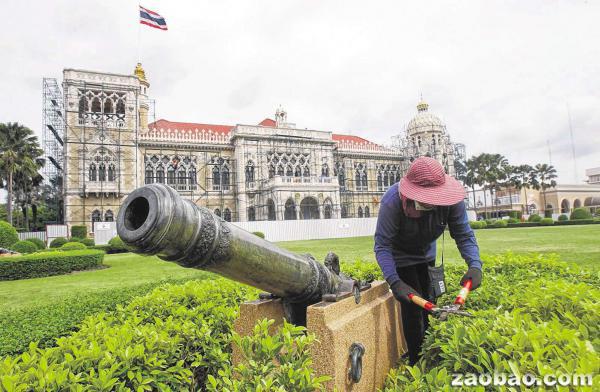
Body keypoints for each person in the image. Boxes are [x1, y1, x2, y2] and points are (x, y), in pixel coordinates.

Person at [374, 156, 483, 365]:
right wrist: (395, 281)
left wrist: (475, 265)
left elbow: (464, 234)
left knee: (429, 301)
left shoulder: (452, 201)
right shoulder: (392, 201)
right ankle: (418, 362)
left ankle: (429, 350)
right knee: (413, 309)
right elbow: (382, 245)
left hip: (427, 253)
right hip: (401, 255)